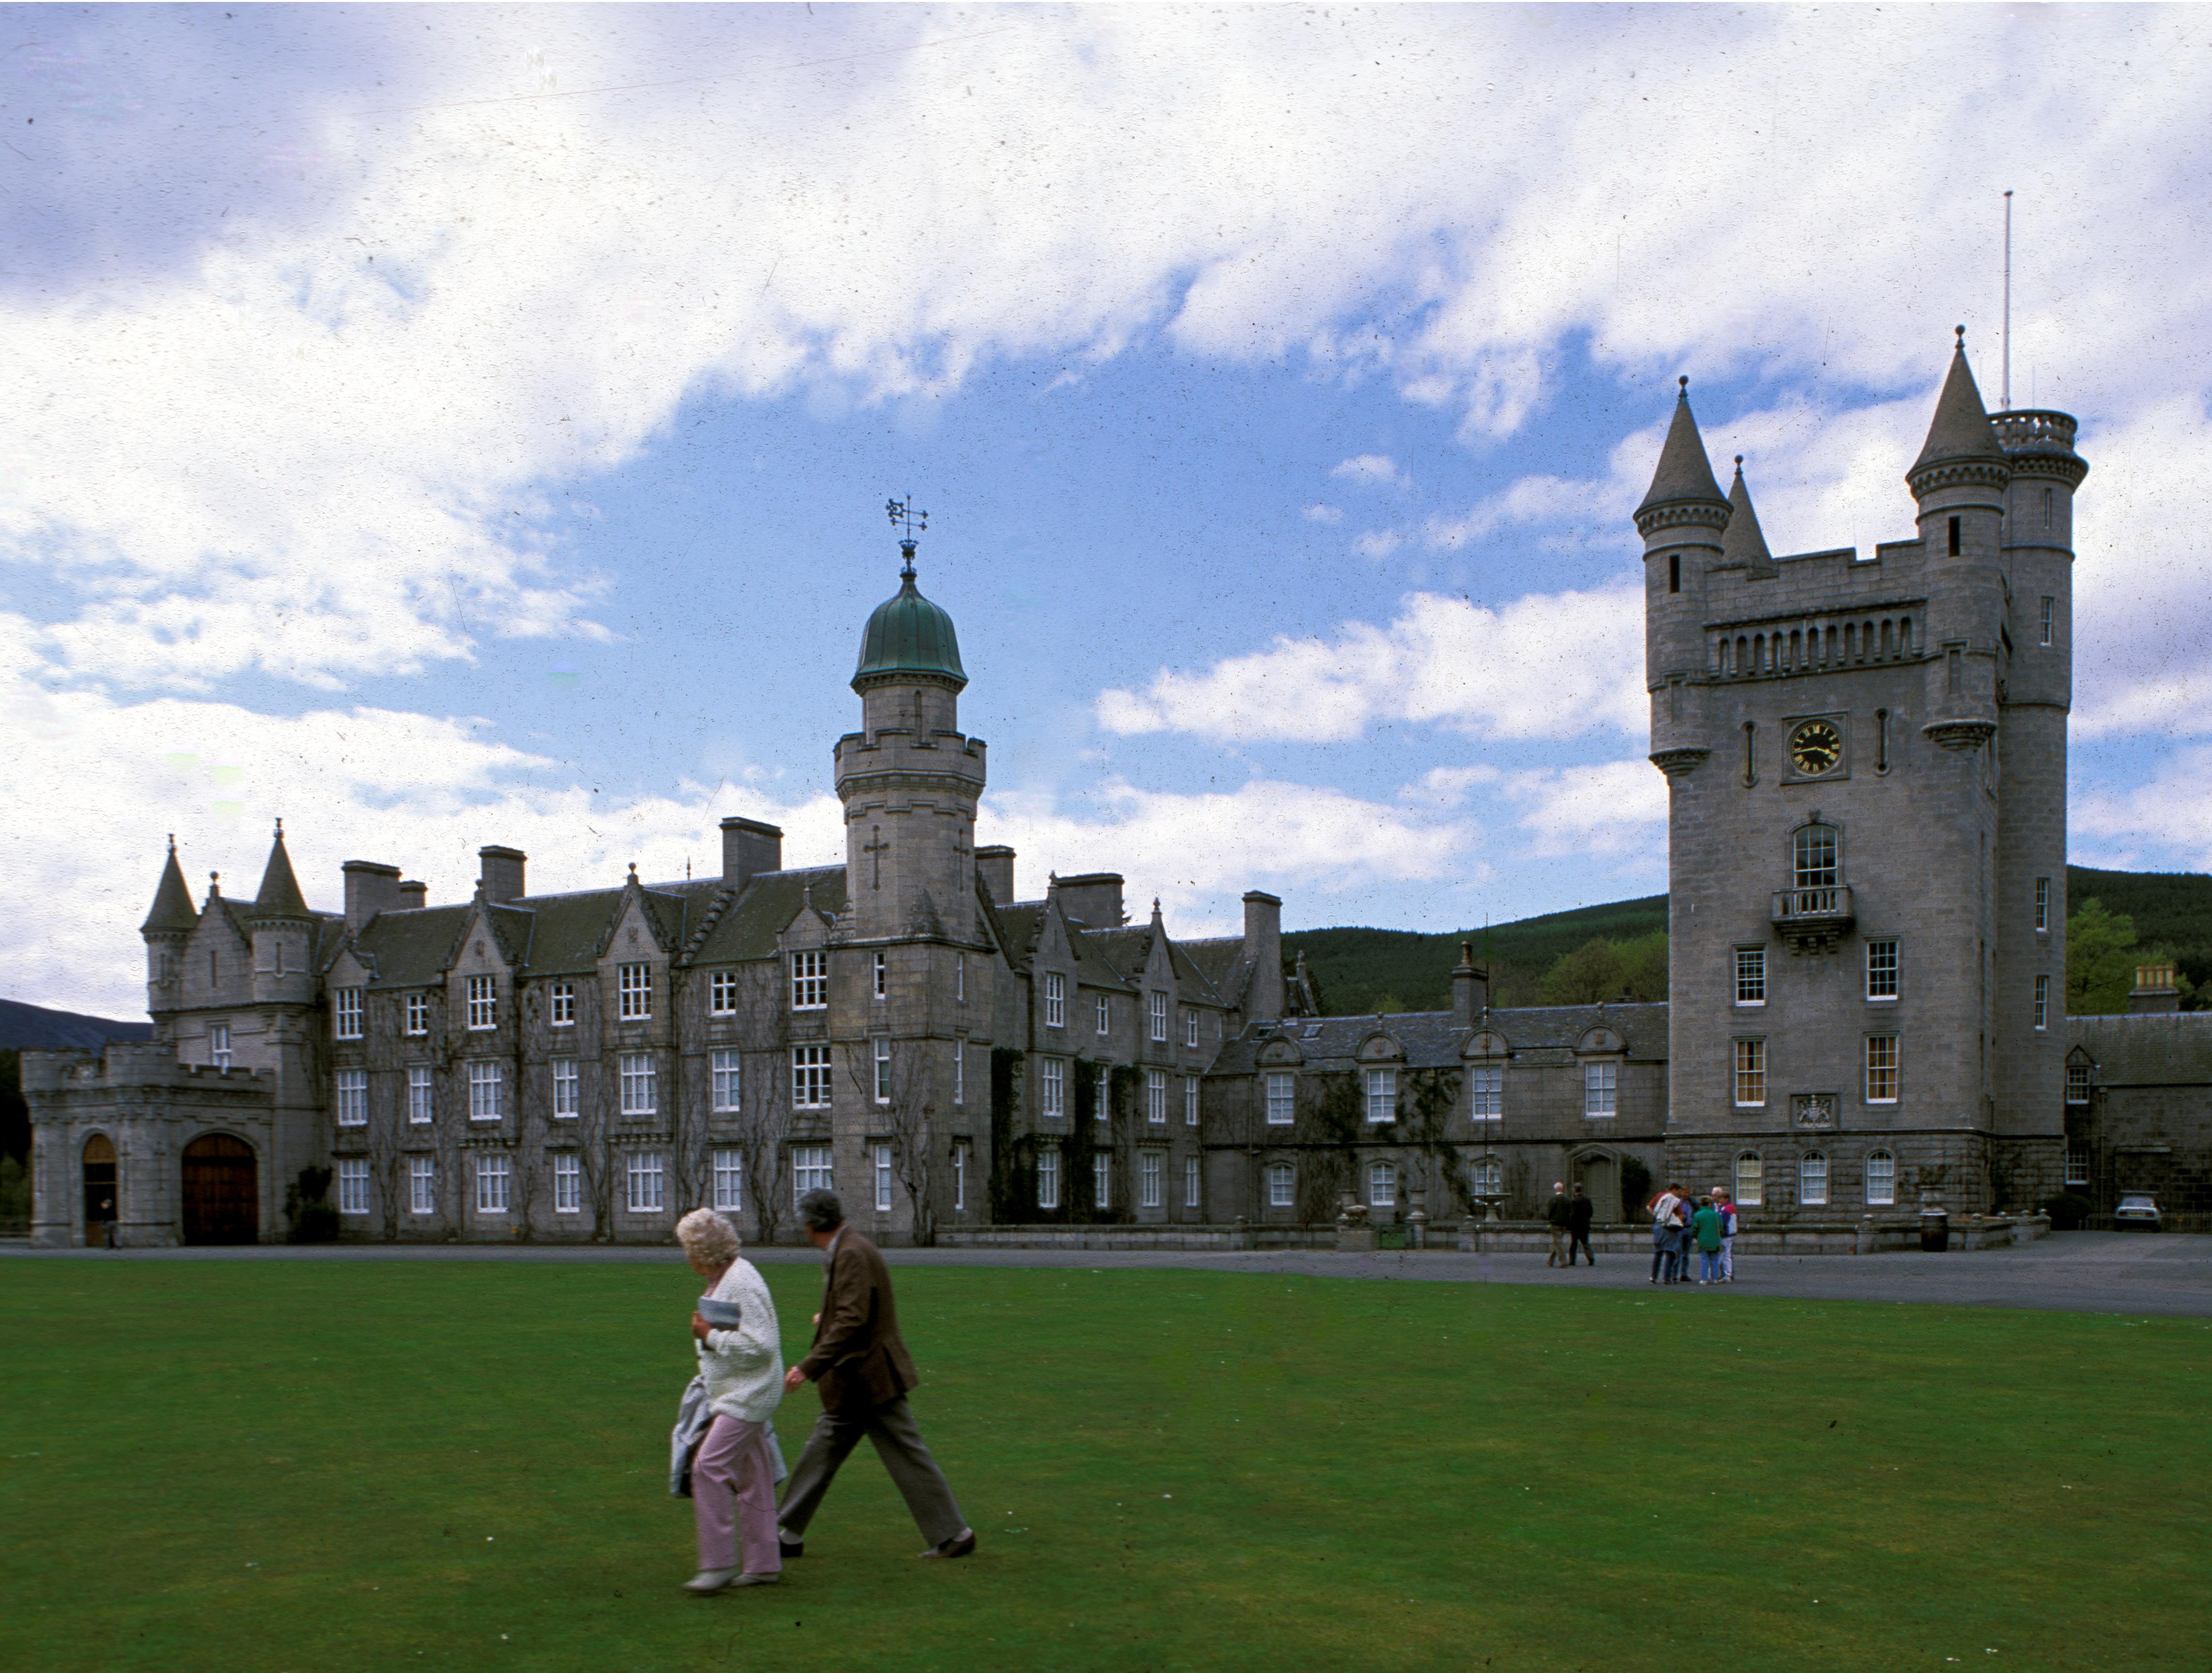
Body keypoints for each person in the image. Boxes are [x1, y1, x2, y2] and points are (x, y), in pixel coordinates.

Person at [777, 1190, 976, 1560]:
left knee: (904, 1453)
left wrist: (808, 1367)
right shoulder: (851, 1247)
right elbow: (855, 1311)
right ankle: (787, 1533)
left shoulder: (851, 1252)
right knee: (822, 1450)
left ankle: (955, 1534)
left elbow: (854, 1320)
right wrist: (827, 1320)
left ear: (809, 1224)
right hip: (857, 1378)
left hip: (869, 1377)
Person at [676, 1207, 785, 1594]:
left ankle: (718, 1564)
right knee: (753, 1478)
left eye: (688, 1248)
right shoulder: (725, 1277)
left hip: (748, 1395)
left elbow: (762, 1345)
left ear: (703, 1251)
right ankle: (763, 1564)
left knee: (708, 1468)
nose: (685, 1257)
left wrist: (710, 1337)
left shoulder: (740, 1281)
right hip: (739, 1392)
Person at [1648, 1183, 1679, 1286]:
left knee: (1658, 1253)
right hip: (1669, 1228)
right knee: (1670, 1253)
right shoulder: (1674, 1199)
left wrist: (1657, 1216)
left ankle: (1653, 1277)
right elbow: (1680, 1214)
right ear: (1674, 1190)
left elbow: (1649, 1207)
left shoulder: (1659, 1196)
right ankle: (1667, 1278)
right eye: (1678, 1191)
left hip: (1658, 1227)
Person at [1691, 1193, 1725, 1285]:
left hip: (1703, 1240)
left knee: (1704, 1260)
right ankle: (1715, 1279)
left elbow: (1695, 1229)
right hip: (1715, 1240)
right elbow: (1721, 1228)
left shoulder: (1697, 1215)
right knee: (1714, 1260)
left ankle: (1704, 1279)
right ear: (1710, 1204)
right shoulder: (1716, 1215)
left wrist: (1695, 1236)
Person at [1713, 1186, 1739, 1282]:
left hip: (1726, 1235)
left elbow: (1722, 1222)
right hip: (1731, 1234)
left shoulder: (1726, 1209)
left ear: (1726, 1199)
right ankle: (1727, 1275)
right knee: (1727, 1255)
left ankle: (1723, 1274)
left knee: (1722, 1255)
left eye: (1721, 1198)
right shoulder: (1731, 1207)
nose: (1720, 1200)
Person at [1566, 1182, 1595, 1266]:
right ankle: (1591, 1258)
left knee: (1574, 1244)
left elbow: (1573, 1215)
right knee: (1586, 1243)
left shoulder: (1574, 1201)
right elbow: (1591, 1213)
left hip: (1576, 1226)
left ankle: (1572, 1261)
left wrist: (1569, 1225)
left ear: (1575, 1190)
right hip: (1585, 1225)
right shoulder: (1587, 1200)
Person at [1544, 1182, 1572, 1267]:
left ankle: (1563, 1261)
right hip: (1564, 1224)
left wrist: (1549, 1220)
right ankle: (1550, 1261)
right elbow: (1570, 1212)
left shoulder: (1554, 1199)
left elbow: (1550, 1211)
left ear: (1556, 1189)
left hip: (1555, 1223)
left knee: (1558, 1242)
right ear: (1562, 1189)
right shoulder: (1567, 1199)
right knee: (1557, 1241)